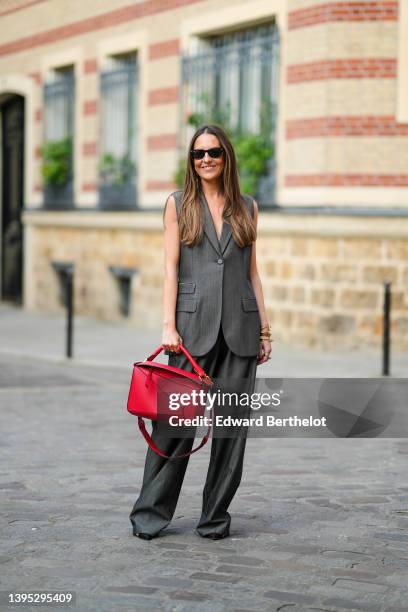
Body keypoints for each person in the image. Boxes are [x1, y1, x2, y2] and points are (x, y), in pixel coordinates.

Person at [129, 124, 272, 540]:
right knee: (174, 428)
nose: (205, 159)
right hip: (191, 332)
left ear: (226, 156)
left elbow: (252, 273)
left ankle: (214, 518)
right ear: (191, 162)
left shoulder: (248, 206)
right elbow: (171, 268)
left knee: (230, 433)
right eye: (197, 154)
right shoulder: (178, 204)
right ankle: (150, 515)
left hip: (241, 331)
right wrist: (168, 325)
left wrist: (265, 329)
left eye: (213, 152)